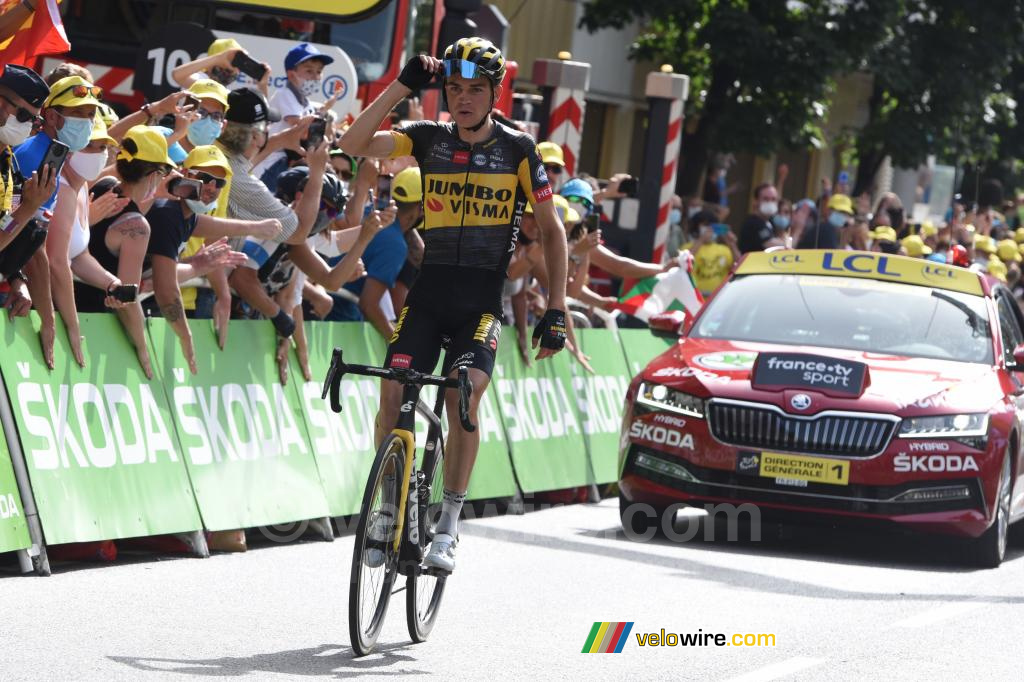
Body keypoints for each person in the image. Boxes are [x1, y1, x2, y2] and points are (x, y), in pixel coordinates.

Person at [340, 37, 568, 572]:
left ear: (495, 93)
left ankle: (448, 522)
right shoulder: (425, 139)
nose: (462, 99)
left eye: (475, 89)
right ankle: (388, 505)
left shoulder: (518, 149)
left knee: (462, 399)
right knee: (393, 385)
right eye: (454, 88)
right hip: (430, 293)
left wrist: (555, 308)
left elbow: (553, 231)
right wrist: (401, 85)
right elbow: (354, 143)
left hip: (481, 302)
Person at [146, 144, 280, 372]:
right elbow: (166, 289)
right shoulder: (169, 213)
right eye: (205, 177)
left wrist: (258, 227)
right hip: (131, 305)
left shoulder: (185, 215)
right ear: (186, 175)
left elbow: (209, 226)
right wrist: (186, 336)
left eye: (219, 183)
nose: (211, 187)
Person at [75, 125, 177, 377]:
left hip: (63, 301)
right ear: (154, 174)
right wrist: (143, 347)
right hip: (93, 321)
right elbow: (127, 298)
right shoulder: (137, 227)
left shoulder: (103, 185)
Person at [46, 116, 131, 367]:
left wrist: (112, 284)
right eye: (90, 146)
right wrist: (73, 326)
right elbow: (57, 262)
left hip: (48, 303)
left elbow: (78, 255)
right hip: (28, 302)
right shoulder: (61, 187)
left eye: (103, 147)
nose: (98, 154)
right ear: (70, 148)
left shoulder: (80, 185)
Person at [0, 63, 53, 343]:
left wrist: (16, 278)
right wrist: (29, 208)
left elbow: (4, 224)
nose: (26, 125)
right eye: (21, 114)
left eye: (32, 120)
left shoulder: (9, 162)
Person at [343, 165, 423, 339]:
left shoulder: (367, 213)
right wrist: (397, 342)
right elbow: (368, 305)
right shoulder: (396, 245)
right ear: (420, 208)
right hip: (339, 314)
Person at [254, 42, 335, 191]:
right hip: (273, 161)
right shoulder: (285, 94)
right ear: (291, 74)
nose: (315, 76)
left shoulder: (306, 102)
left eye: (319, 71)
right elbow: (300, 127)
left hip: (287, 160)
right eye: (309, 71)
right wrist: (320, 119)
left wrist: (324, 112)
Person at [738, 182, 779, 253]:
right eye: (766, 199)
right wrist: (798, 230)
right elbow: (774, 246)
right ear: (756, 201)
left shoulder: (769, 222)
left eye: (773, 199)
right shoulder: (753, 223)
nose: (770, 203)